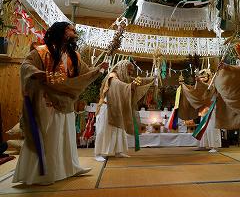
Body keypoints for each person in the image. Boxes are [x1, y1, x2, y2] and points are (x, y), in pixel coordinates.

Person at [13, 22, 108, 185]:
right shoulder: (42, 51)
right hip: (46, 99)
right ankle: (42, 174)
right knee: (49, 135)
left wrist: (98, 68)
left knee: (66, 135)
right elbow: (26, 66)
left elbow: (85, 72)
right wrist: (38, 73)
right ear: (61, 32)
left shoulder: (74, 55)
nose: (74, 32)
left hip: (66, 100)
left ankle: (70, 167)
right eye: (70, 29)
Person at [95, 60, 153, 161]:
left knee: (118, 130)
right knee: (104, 131)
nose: (130, 73)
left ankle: (118, 151)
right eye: (129, 70)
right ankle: (99, 153)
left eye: (131, 71)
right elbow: (118, 85)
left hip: (116, 107)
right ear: (123, 68)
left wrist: (151, 79)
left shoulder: (122, 77)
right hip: (107, 108)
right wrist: (130, 86)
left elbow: (135, 80)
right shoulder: (112, 76)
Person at [195, 69, 221, 153]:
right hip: (204, 107)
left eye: (204, 77)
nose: (202, 78)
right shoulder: (204, 85)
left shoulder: (213, 85)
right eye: (201, 77)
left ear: (209, 77)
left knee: (212, 126)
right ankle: (203, 144)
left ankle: (215, 146)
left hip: (212, 107)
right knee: (202, 125)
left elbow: (208, 88)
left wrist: (200, 82)